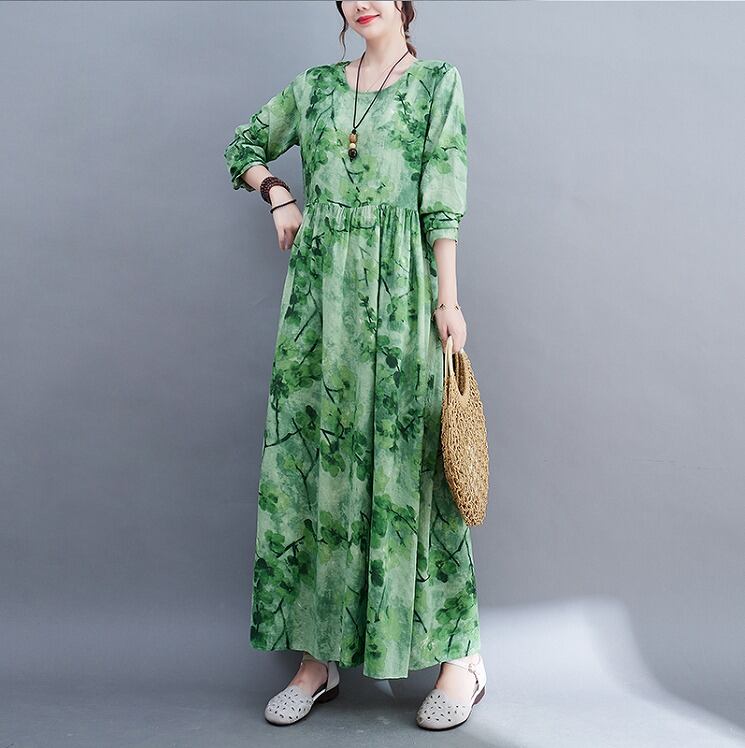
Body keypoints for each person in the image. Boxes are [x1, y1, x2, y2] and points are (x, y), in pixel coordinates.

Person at [223, 0, 486, 730]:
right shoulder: (313, 87)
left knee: (415, 472)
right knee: (317, 469)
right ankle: (318, 658)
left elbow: (443, 198)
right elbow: (244, 145)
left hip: (403, 298)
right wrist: (278, 192)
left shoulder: (436, 83)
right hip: (321, 308)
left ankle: (459, 658)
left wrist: (448, 301)